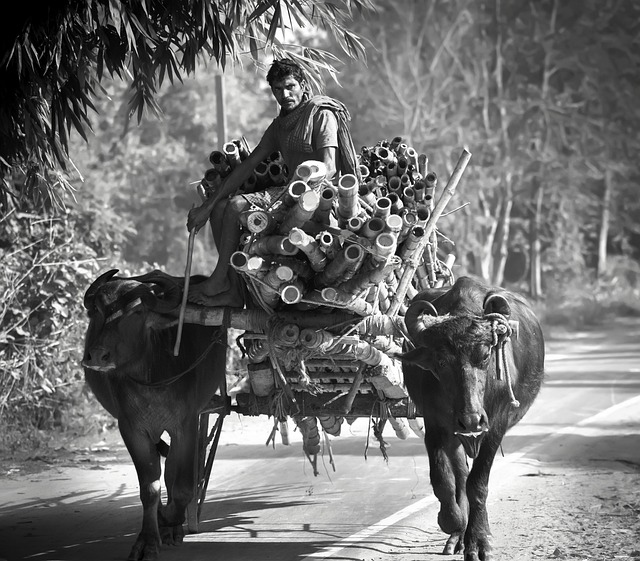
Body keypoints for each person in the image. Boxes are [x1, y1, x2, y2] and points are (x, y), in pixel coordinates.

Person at [186, 58, 358, 306]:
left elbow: (329, 167)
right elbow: (247, 166)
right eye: (278, 89)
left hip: (317, 197)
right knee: (221, 208)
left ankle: (218, 280)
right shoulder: (279, 126)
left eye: (290, 87)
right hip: (288, 193)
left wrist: (304, 189)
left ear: (303, 85)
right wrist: (207, 207)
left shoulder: (321, 114)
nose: (285, 94)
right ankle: (231, 287)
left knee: (234, 206)